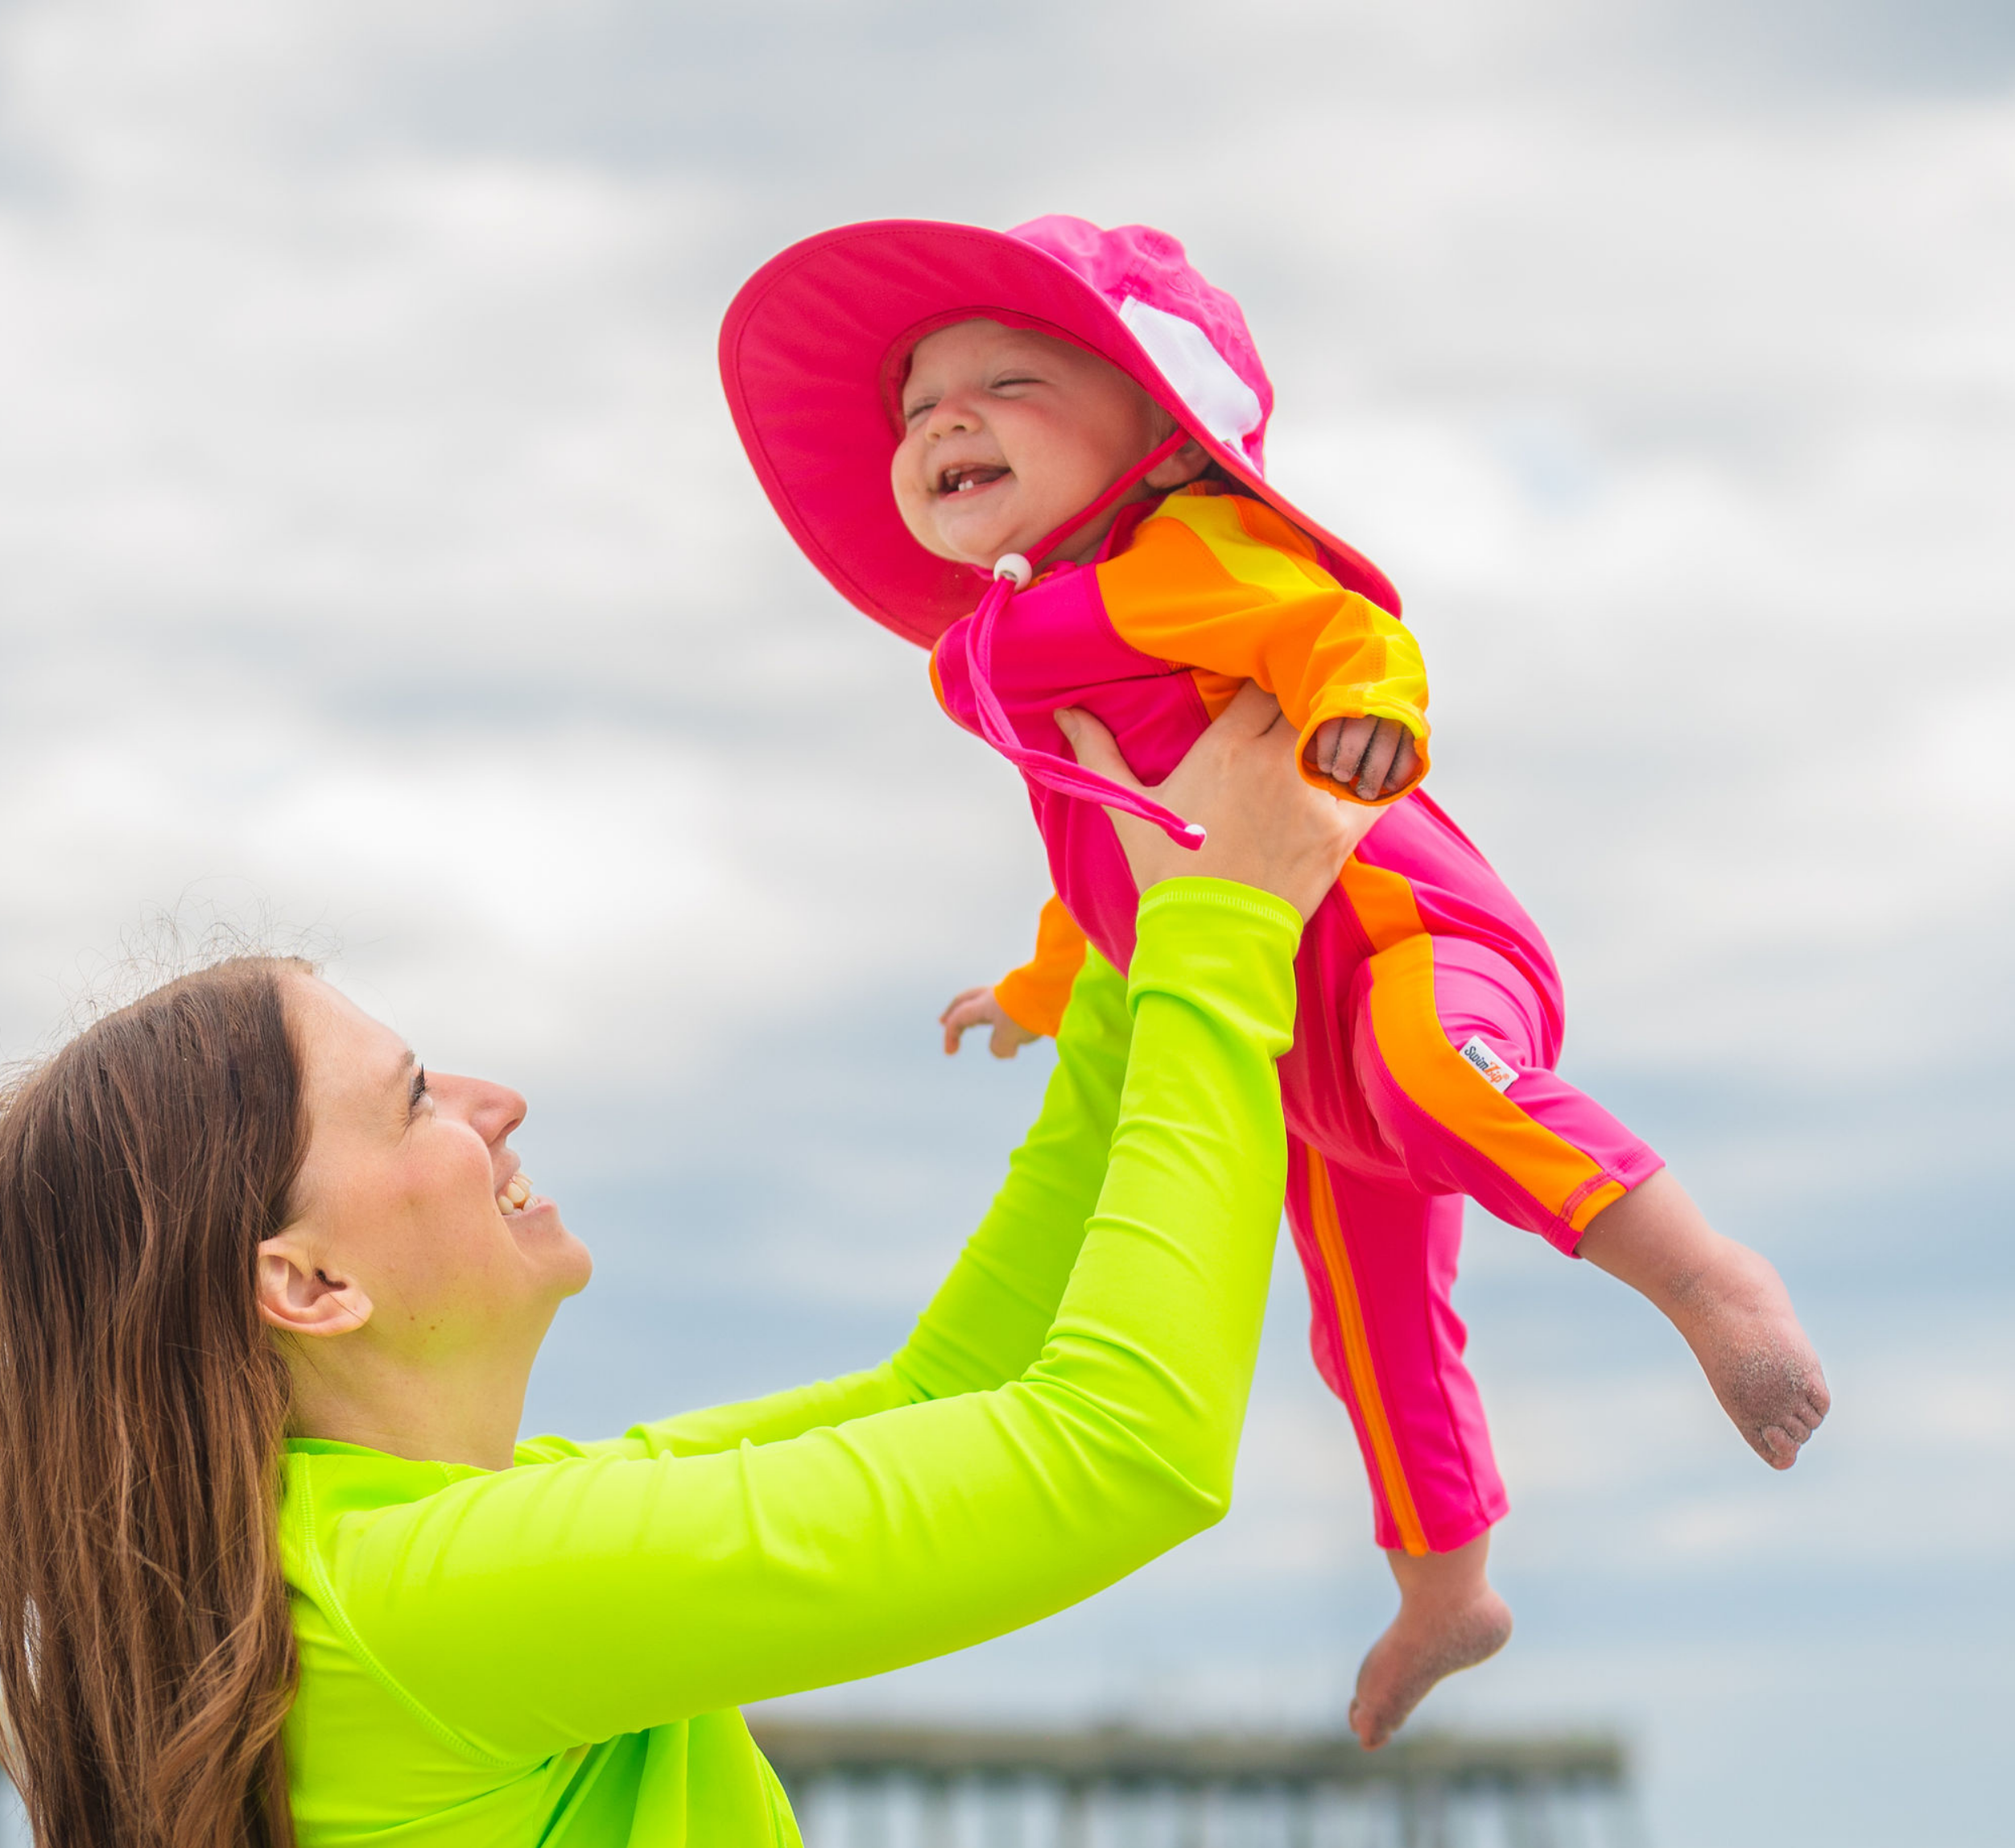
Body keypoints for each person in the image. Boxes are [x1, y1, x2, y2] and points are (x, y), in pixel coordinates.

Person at [0, 693, 1370, 1848]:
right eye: (415, 1100)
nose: (495, 1102)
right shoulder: (437, 1598)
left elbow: (959, 1394)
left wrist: (1135, 979)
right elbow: (1118, 1450)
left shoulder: (392, 1565)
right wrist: (1236, 938)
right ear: (307, 1281)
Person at [719, 212, 1831, 1748]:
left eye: (1010, 381)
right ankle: (1448, 1584)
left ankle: (1706, 1276)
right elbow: (1101, 832)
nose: (943, 420)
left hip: (1411, 953)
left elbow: (1335, 630)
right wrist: (1045, 984)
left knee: (1440, 1076)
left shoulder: (1184, 557)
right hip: (1291, 1041)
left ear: (1167, 440)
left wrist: (1367, 719)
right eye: (917, 410)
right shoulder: (996, 650)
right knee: (1370, 1322)